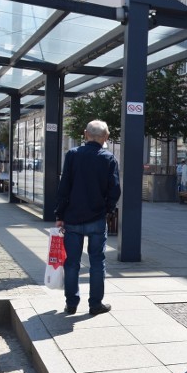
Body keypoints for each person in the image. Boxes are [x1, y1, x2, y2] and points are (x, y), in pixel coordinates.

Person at [55, 120, 121, 316]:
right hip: (97, 218)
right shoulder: (109, 159)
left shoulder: (73, 155)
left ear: (85, 134)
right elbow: (115, 189)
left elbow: (64, 186)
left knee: (72, 263)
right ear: (106, 137)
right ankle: (95, 305)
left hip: (72, 218)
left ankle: (71, 303)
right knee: (97, 262)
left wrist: (59, 214)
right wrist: (108, 210)